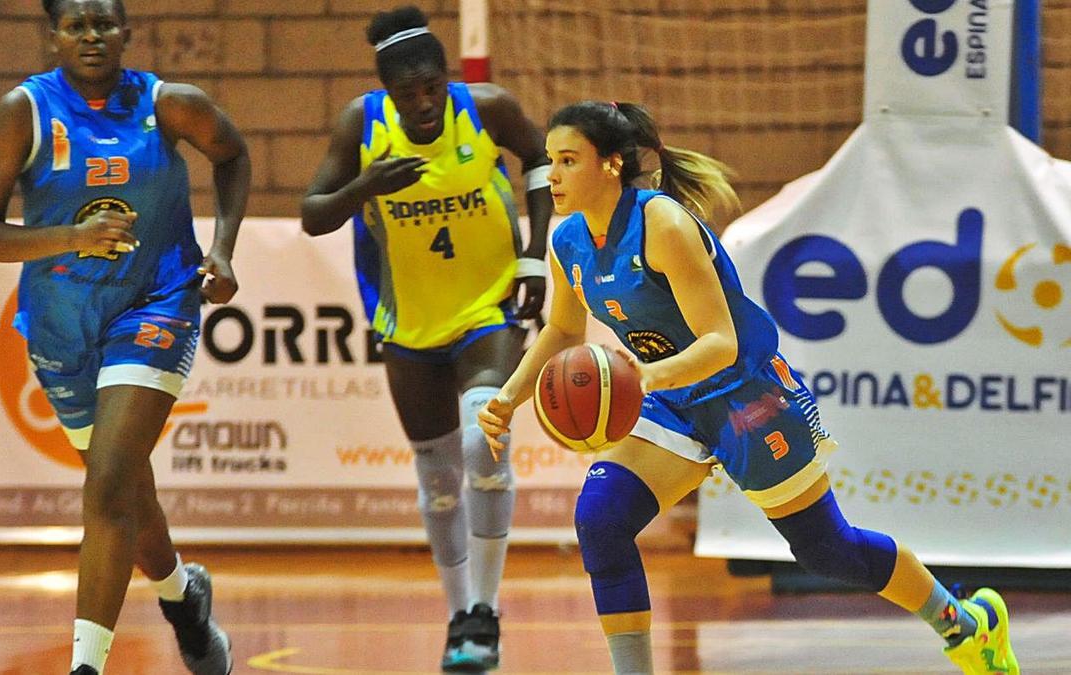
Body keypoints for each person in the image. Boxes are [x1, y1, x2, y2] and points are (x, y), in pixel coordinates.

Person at [477, 100, 1020, 675]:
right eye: (550, 161)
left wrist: (642, 380)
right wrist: (510, 397)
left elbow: (721, 342)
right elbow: (562, 327)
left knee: (826, 549)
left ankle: (964, 623)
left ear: (610, 165)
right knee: (602, 522)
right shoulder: (567, 241)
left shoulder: (662, 224)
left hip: (746, 393)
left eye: (567, 160)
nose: (551, 175)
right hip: (671, 401)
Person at [0, 1, 249, 673]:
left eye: (102, 24)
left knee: (110, 479)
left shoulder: (169, 103)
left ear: (126, 32)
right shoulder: (23, 113)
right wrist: (69, 238)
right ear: (52, 35)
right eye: (75, 25)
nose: (90, 37)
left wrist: (224, 249)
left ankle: (86, 665)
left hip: (158, 299)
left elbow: (232, 156)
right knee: (125, 490)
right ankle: (183, 596)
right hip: (62, 319)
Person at [300, 5, 553, 671]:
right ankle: (459, 615)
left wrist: (533, 256)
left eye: (430, 87)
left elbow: (538, 159)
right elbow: (312, 215)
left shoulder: (488, 108)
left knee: (483, 439)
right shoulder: (363, 125)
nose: (420, 102)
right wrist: (364, 185)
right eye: (405, 92)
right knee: (440, 480)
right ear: (386, 91)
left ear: (446, 79)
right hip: (408, 323)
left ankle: (487, 611)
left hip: (486, 309)